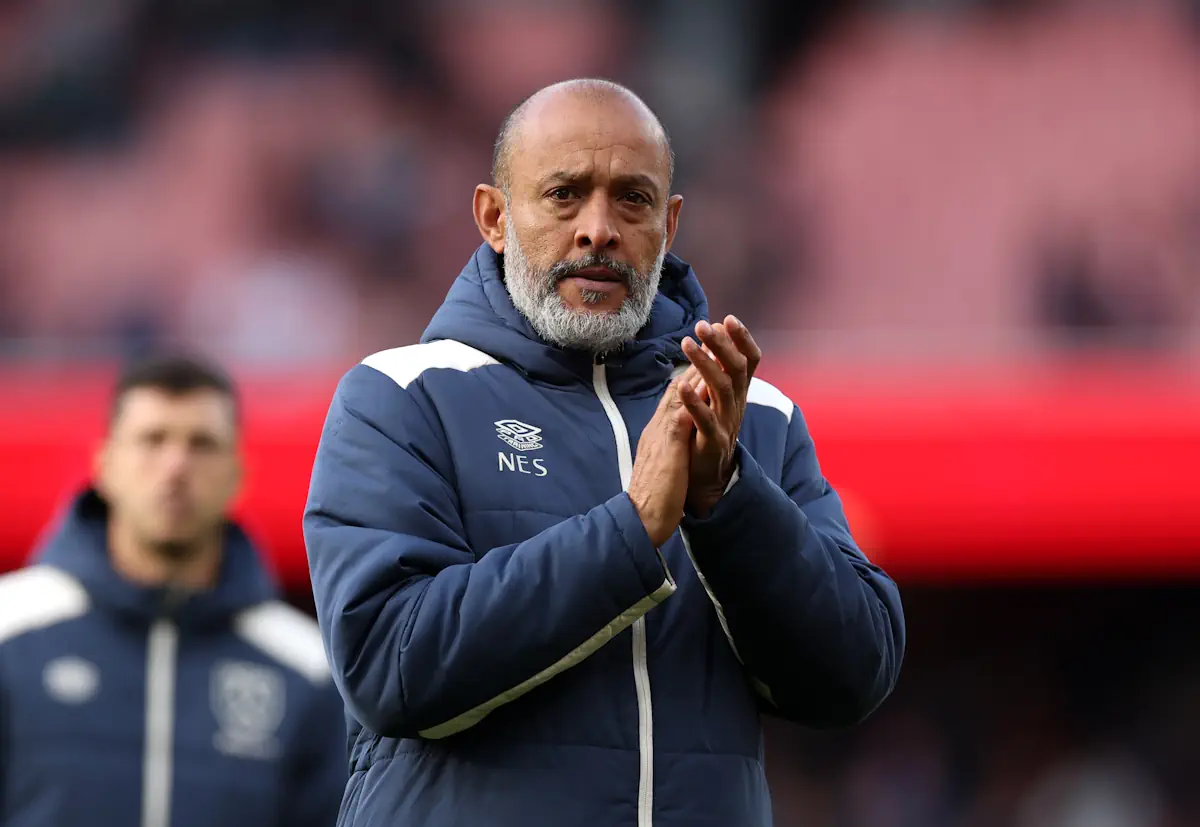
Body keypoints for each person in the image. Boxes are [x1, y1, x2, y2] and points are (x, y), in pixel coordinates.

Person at [304, 79, 906, 827]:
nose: (599, 228)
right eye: (564, 195)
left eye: (632, 199)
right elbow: (388, 664)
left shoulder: (759, 419)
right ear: (495, 217)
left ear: (670, 223)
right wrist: (630, 530)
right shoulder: (400, 396)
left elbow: (856, 672)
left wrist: (727, 500)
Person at [0, 354, 346, 827]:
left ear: (236, 474)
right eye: (152, 440)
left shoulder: (305, 667)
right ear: (105, 464)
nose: (175, 466)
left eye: (201, 444)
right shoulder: (10, 629)